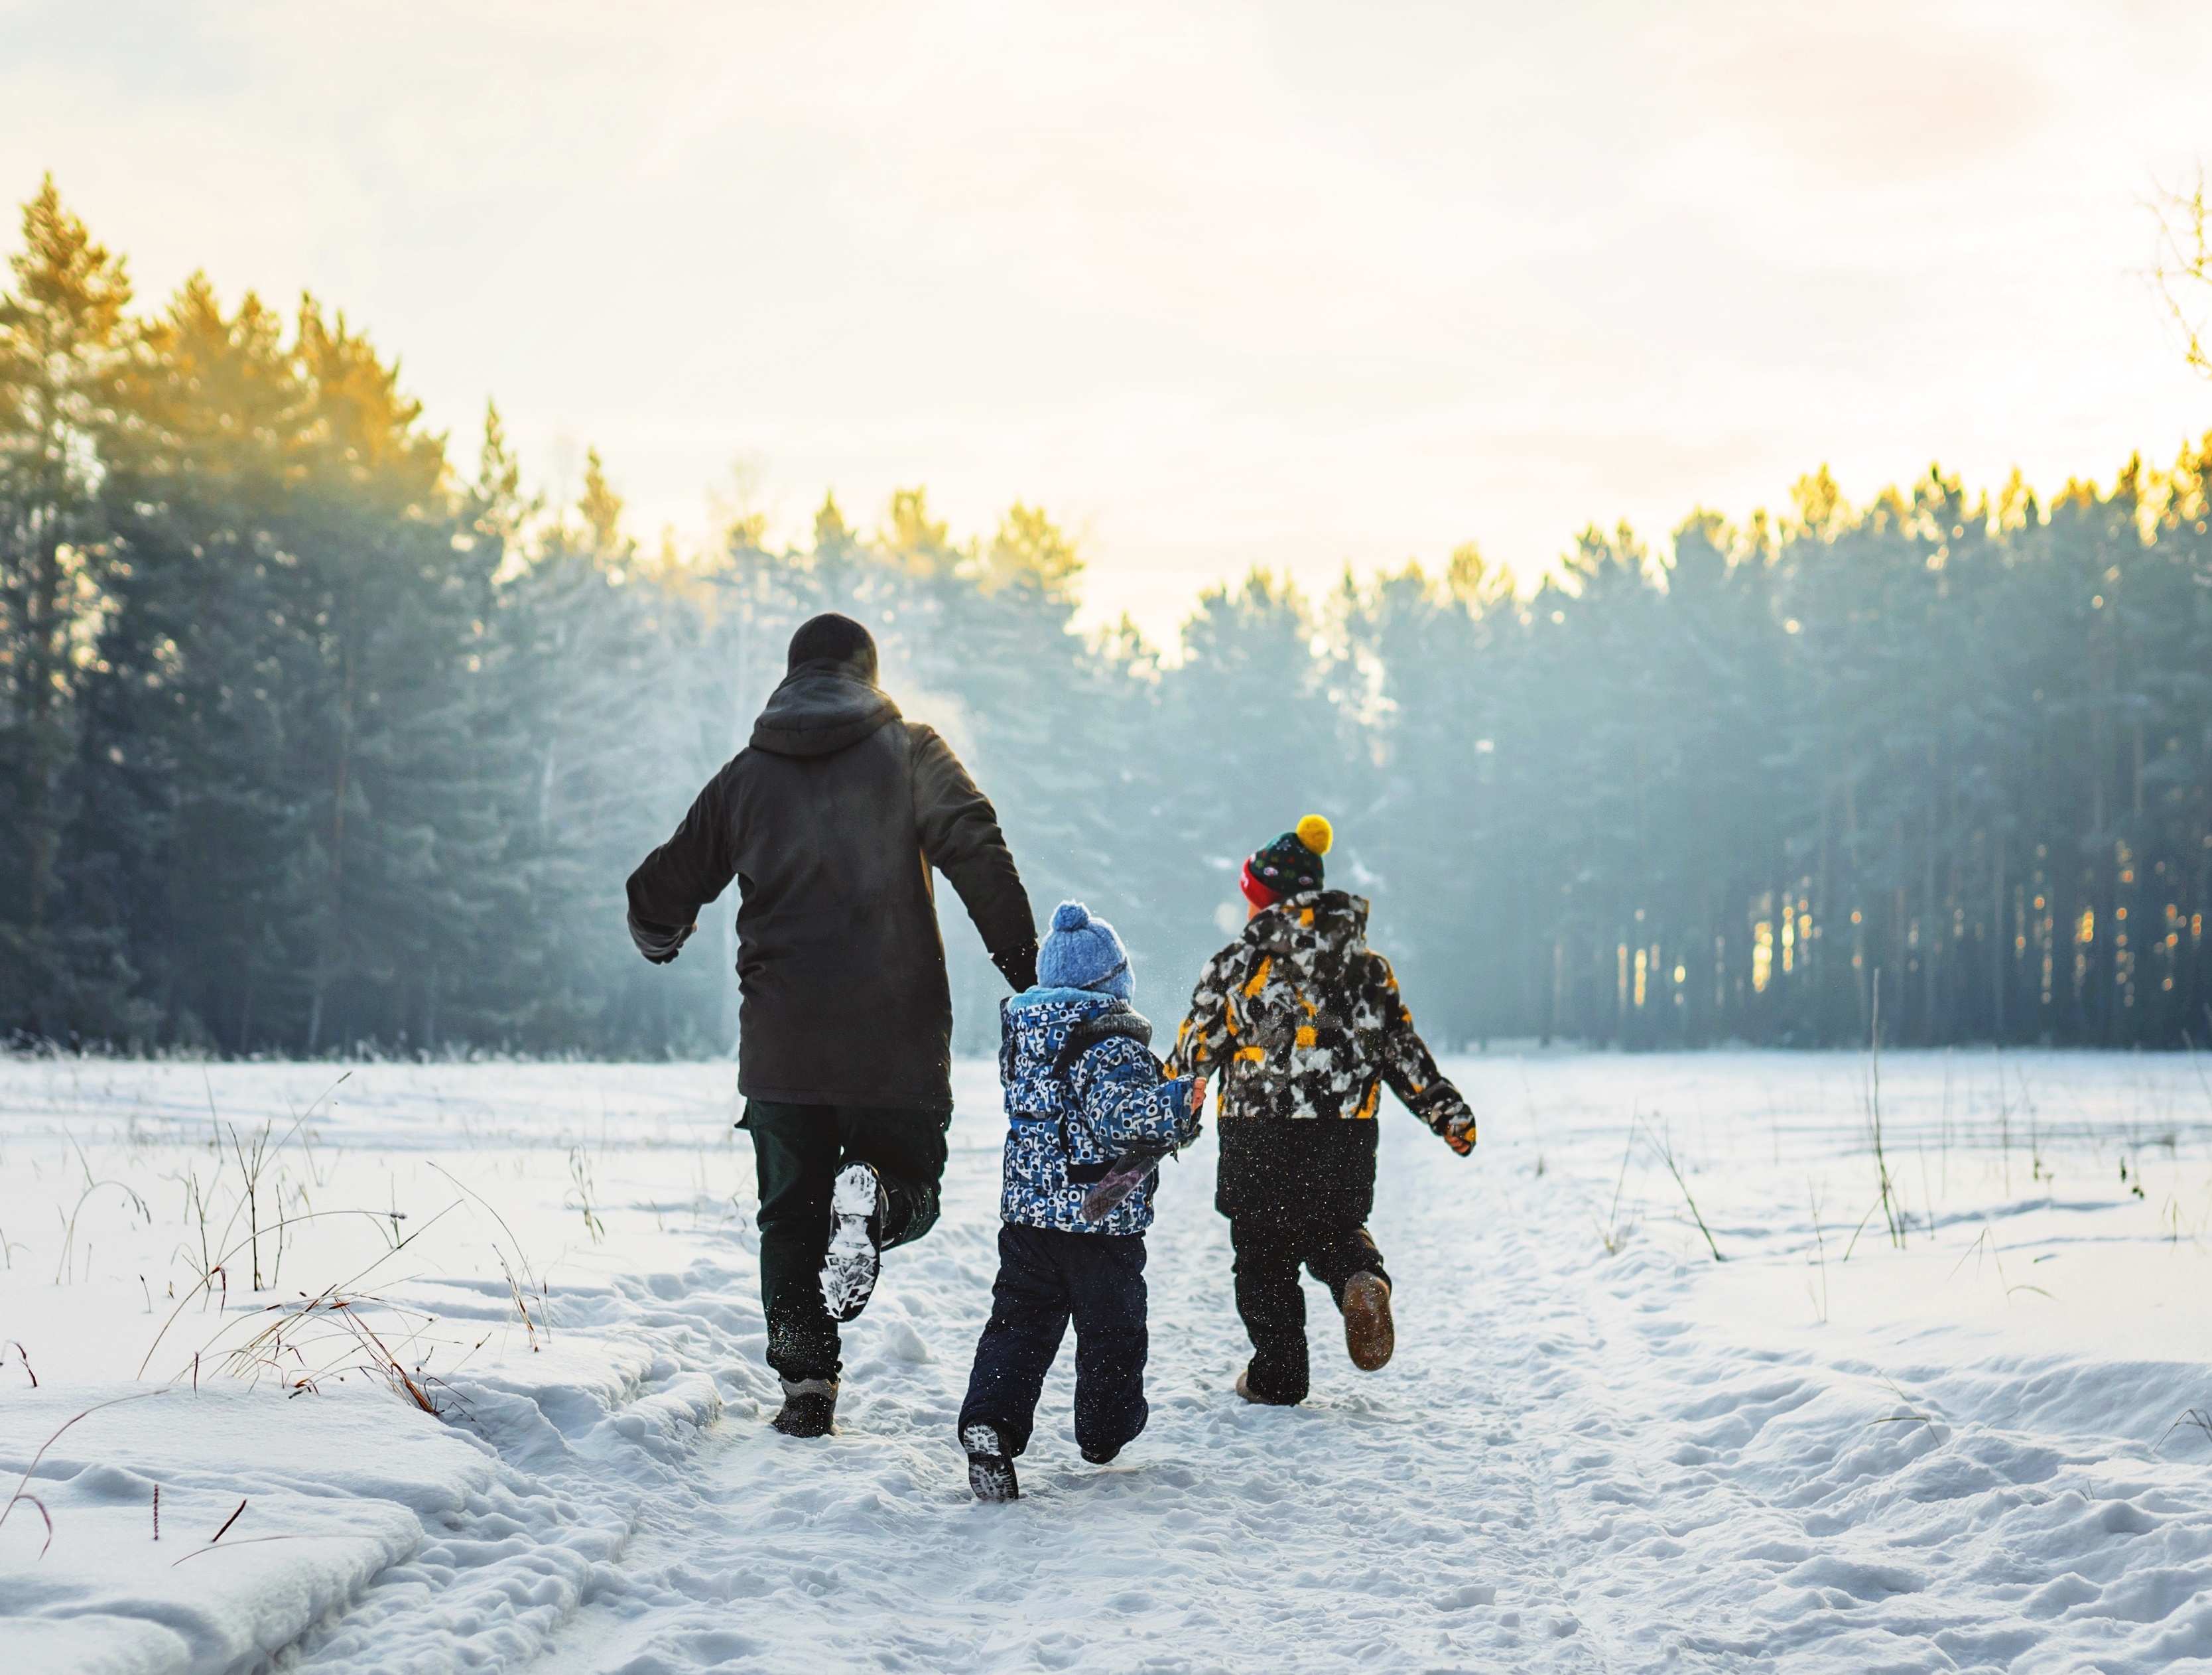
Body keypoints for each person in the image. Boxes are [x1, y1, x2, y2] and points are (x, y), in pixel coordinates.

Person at [625, 613, 1038, 1438]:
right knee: (910, 1187)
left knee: (788, 1215)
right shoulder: (914, 749)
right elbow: (977, 847)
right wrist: (1027, 970)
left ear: (790, 677)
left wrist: (662, 938)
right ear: (868, 674)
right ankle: (877, 1204)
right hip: (895, 1041)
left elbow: (655, 889)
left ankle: (806, 1381)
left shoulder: (745, 777)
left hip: (784, 1046)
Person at [1165, 815, 1476, 1407]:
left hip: (1258, 1138)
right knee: (1334, 1233)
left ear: (1265, 897)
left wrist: (1161, 1119)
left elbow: (1192, 1054)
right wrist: (1447, 1114)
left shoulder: (1237, 964)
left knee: (1262, 1257)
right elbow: (1403, 1054)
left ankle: (1279, 1375)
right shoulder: (1367, 969)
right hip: (1344, 1137)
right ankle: (1360, 1279)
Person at [956, 901, 1204, 1502]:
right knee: (1112, 1332)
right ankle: (1104, 1431)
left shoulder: (1027, 1036)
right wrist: (1174, 1105)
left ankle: (991, 1418)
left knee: (1017, 1327)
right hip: (1100, 1222)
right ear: (1111, 981)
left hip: (1028, 1220)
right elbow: (1122, 1117)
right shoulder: (1108, 1039)